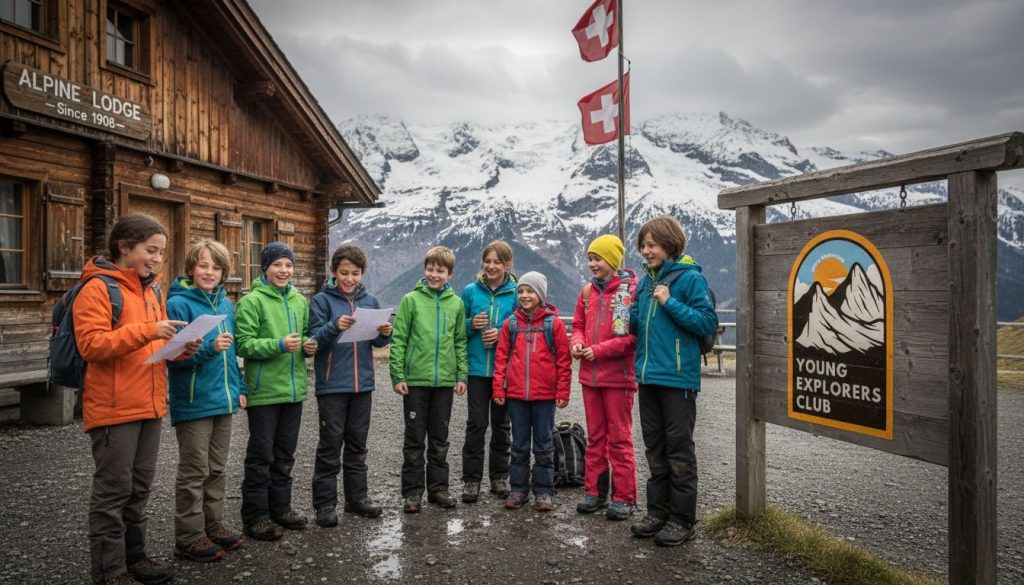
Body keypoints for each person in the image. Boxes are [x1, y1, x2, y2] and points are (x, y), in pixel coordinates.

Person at [75, 212, 201, 585]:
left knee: (139, 487)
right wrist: (150, 331)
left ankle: (136, 558)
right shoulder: (98, 288)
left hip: (150, 403)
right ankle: (110, 572)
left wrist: (181, 348)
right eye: (151, 250)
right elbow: (91, 345)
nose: (157, 259)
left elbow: (155, 344)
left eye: (161, 253)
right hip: (114, 408)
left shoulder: (152, 290)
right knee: (113, 492)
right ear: (124, 247)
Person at [628, 217, 718, 547]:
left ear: (669, 244)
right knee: (655, 448)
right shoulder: (643, 282)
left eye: (651, 244)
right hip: (648, 376)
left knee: (679, 450)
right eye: (643, 245)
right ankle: (658, 512)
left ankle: (682, 520)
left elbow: (707, 322)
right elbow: (638, 328)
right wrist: (627, 315)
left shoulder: (690, 278)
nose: (646, 250)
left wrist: (669, 301)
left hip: (678, 378)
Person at [166, 240, 247, 562]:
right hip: (194, 400)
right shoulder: (179, 305)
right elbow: (172, 357)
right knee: (194, 471)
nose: (209, 272)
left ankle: (213, 526)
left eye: (216, 267)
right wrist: (208, 348)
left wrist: (239, 387)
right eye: (203, 265)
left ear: (224, 272)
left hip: (223, 398)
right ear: (191, 268)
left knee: (217, 468)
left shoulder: (226, 305)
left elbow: (233, 357)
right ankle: (188, 536)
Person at [235, 241, 316, 541]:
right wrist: (278, 344)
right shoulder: (251, 302)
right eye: (277, 265)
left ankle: (280, 508)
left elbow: (306, 336)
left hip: (294, 391)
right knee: (260, 455)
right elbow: (243, 344)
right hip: (264, 391)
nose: (283, 270)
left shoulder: (299, 301)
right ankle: (255, 517)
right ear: (265, 268)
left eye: (288, 265)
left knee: (285, 454)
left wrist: (309, 346)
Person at [308, 245, 392, 527]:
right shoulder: (321, 301)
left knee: (358, 445)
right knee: (330, 445)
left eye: (355, 273)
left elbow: (376, 342)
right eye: (344, 272)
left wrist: (385, 334)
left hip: (362, 384)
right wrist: (335, 325)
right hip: (332, 385)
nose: (349, 278)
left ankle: (357, 498)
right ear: (334, 272)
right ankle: (324, 504)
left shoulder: (370, 299)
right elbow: (315, 341)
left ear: (362, 273)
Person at [389, 245, 468, 513]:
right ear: (425, 270)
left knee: (440, 438)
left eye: (440, 270)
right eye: (430, 269)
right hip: (416, 382)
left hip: (444, 382)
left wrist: (461, 375)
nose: (434, 275)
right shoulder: (411, 300)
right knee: (414, 438)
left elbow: (459, 341)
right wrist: (398, 375)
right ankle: (412, 493)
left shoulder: (456, 304)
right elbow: (398, 340)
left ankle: (438, 489)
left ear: (450, 273)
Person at [570, 234, 639, 521]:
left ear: (612, 259)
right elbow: (578, 325)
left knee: (619, 439)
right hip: (591, 377)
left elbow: (630, 338)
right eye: (590, 259)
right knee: (596, 437)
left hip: (618, 379)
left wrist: (597, 351)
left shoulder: (628, 292)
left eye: (597, 258)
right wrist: (577, 342)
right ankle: (594, 492)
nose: (592, 264)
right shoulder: (587, 293)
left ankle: (624, 497)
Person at [492, 271, 572, 512]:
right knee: (518, 445)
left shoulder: (553, 324)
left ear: (541, 295)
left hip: (544, 397)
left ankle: (544, 490)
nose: (525, 295)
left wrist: (562, 392)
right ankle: (518, 489)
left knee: (544, 444)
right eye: (521, 291)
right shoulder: (510, 324)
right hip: (516, 396)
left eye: (530, 291)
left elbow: (564, 361)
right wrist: (499, 388)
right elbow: (501, 358)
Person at [459, 240, 517, 503]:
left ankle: (499, 476)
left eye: (497, 262)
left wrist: (502, 332)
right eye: (488, 261)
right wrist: (472, 324)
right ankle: (471, 481)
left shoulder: (517, 293)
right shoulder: (470, 291)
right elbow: (458, 328)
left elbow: (523, 326)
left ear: (507, 265)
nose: (491, 266)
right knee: (476, 425)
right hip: (476, 370)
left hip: (504, 371)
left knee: (502, 426)